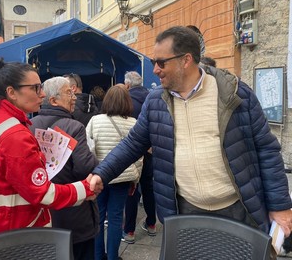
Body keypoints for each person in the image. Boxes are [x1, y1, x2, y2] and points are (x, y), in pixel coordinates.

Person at [88, 26, 292, 257]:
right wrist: (101, 173)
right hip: (185, 211)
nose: (155, 69)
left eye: (161, 62)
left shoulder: (235, 93)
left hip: (238, 209)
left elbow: (267, 149)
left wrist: (281, 206)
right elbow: (132, 143)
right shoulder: (155, 101)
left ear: (186, 60)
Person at [0, 58, 95, 243]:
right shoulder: (13, 135)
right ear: (11, 92)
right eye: (36, 88)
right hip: (10, 232)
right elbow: (44, 194)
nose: (43, 94)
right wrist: (84, 189)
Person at [29, 76, 99, 260]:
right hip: (74, 211)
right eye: (69, 93)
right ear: (53, 100)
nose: (74, 96)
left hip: (43, 210)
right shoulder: (74, 126)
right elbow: (85, 167)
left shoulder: (29, 126)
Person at [86, 85, 143, 260]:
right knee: (116, 217)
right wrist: (136, 178)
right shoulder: (133, 123)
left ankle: (97, 256)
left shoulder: (95, 121)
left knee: (98, 216)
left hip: (99, 177)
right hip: (123, 178)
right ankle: (112, 257)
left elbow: (89, 150)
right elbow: (139, 157)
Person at [121, 71, 156, 244]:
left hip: (134, 153)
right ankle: (151, 224)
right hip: (150, 153)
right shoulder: (152, 98)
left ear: (127, 84)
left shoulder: (127, 102)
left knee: (132, 192)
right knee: (149, 189)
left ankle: (129, 231)